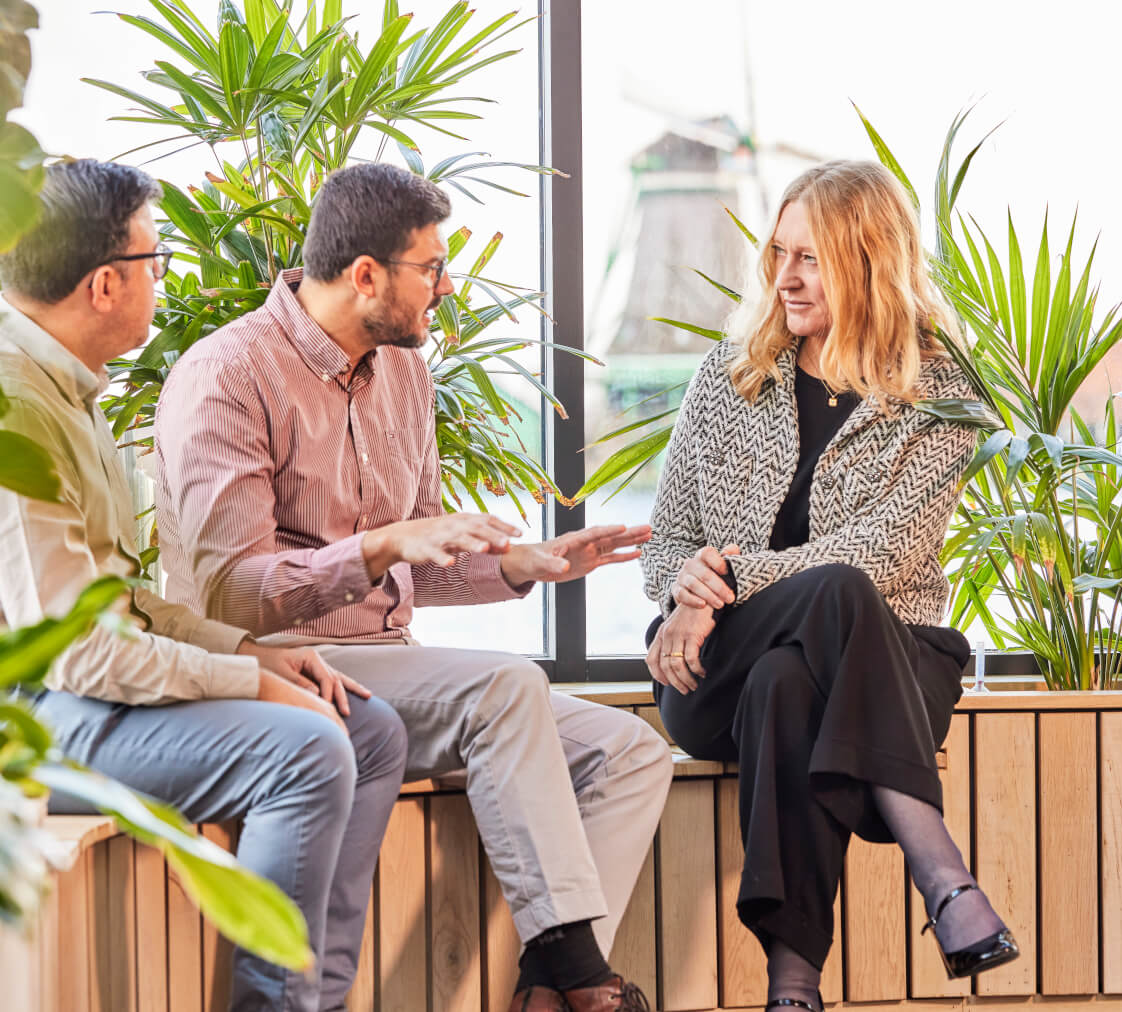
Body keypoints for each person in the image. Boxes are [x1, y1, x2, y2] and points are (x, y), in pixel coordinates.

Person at [153, 163, 673, 1012]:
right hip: (284, 668)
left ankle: (550, 990)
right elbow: (227, 597)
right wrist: (379, 543)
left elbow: (414, 566)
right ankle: (586, 979)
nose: (446, 287)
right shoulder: (227, 375)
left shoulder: (404, 375)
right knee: (507, 686)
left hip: (390, 668)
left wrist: (521, 565)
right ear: (366, 273)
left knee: (631, 752)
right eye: (430, 268)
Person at [0, 159, 409, 1012]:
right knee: (305, 749)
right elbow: (74, 652)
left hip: (72, 694)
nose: (163, 277)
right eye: (157, 260)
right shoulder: (4, 401)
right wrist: (250, 681)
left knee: (367, 729)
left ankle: (314, 1002)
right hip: (16, 718)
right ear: (106, 284)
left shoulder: (67, 389)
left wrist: (254, 653)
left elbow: (124, 598)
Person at [639, 160, 1017, 1012]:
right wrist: (687, 586)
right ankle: (943, 873)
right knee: (809, 618)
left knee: (799, 664)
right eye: (779, 253)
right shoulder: (732, 376)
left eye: (809, 258)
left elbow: (886, 556)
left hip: (891, 656)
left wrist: (726, 577)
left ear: (869, 259)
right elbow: (666, 546)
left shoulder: (942, 392)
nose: (784, 277)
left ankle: (792, 988)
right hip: (710, 670)